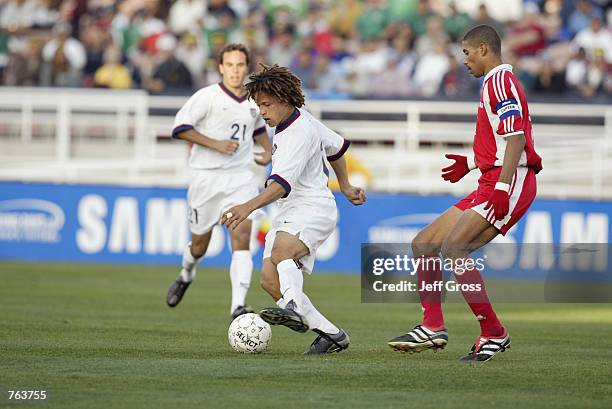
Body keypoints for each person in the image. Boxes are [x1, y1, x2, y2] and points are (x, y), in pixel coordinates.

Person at [388, 25, 542, 362]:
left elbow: (516, 140)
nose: (465, 61)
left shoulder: (500, 81)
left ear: (484, 49)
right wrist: (473, 162)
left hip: (509, 180)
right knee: (424, 243)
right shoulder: (494, 83)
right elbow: (503, 139)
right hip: (491, 178)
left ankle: (493, 332)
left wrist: (501, 187)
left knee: (454, 248)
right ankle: (433, 326)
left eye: (467, 53)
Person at [221, 64, 366, 354]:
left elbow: (280, 186)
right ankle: (331, 334)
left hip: (313, 206)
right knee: (269, 280)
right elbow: (336, 148)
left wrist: (247, 207)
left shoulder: (297, 133)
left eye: (266, 104)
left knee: (281, 253)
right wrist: (346, 185)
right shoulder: (303, 120)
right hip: (292, 209)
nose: (262, 111)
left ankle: (292, 306)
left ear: (285, 99)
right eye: (259, 105)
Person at [166, 43, 273, 322]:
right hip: (206, 178)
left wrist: (267, 150)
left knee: (241, 237)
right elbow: (179, 128)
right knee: (199, 246)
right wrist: (215, 144)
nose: (235, 71)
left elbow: (258, 126)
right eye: (230, 65)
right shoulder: (206, 97)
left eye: (240, 65)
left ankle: (238, 306)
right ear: (221, 68)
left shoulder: (253, 101)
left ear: (246, 68)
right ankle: (186, 272)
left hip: (240, 179)